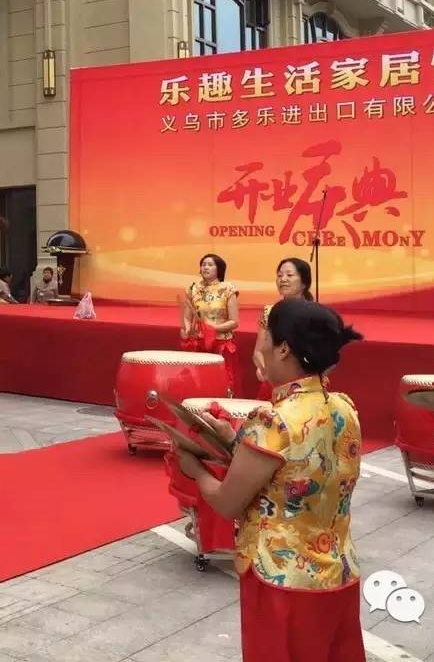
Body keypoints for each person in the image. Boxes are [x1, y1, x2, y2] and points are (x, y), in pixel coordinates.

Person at [176, 298, 364, 660]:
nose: (260, 347)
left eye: (266, 337)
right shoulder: (344, 407)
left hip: (282, 577)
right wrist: (234, 440)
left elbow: (227, 503)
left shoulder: (273, 421)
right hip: (337, 570)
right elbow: (296, 466)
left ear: (284, 349)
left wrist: (194, 469)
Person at [252, 257, 314, 401]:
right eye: (280, 275)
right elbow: (258, 352)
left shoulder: (314, 313)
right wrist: (265, 368)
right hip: (274, 384)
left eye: (289, 275)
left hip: (304, 385)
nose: (283, 279)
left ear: (304, 283)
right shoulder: (269, 311)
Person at [180, 253, 241, 392]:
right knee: (198, 384)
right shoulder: (193, 289)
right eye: (203, 265)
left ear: (219, 269)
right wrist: (188, 331)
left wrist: (213, 329)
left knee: (221, 384)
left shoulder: (228, 289)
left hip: (220, 344)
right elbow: (187, 318)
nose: (205, 267)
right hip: (199, 344)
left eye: (210, 264)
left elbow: (234, 322)